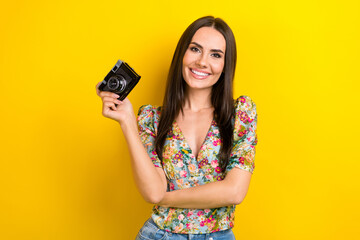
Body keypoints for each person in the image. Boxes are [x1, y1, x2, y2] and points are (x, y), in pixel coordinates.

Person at [96, 16, 257, 240]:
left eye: (215, 55)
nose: (202, 61)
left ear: (225, 64)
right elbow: (153, 190)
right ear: (182, 54)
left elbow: (234, 191)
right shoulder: (151, 119)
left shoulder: (240, 114)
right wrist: (127, 122)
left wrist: (164, 198)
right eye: (195, 49)